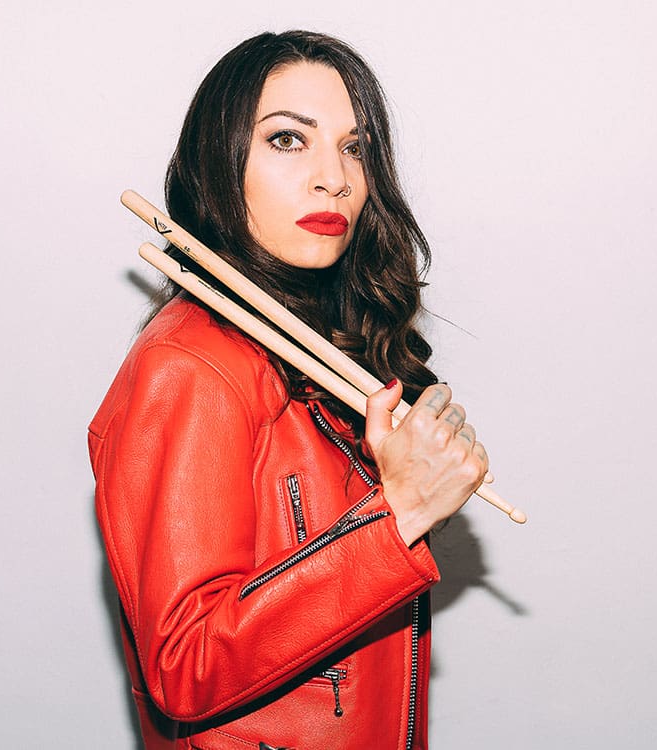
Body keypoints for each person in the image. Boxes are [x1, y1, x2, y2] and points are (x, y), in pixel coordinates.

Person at [89, 30, 488, 750]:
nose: (334, 176)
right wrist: (395, 516)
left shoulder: (314, 344)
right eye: (287, 141)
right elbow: (185, 665)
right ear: (220, 162)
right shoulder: (189, 366)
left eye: (355, 147)